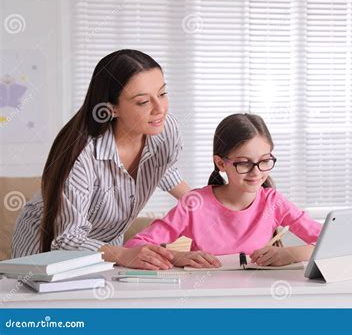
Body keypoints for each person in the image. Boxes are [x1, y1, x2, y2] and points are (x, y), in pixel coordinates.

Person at [12, 49, 190, 270]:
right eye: (143, 102)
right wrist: (124, 255)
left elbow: (164, 168)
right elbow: (67, 239)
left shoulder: (163, 128)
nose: (159, 108)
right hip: (49, 245)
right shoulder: (81, 156)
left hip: (107, 247)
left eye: (162, 94)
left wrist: (205, 208)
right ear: (111, 109)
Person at [125, 113, 322, 268]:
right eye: (244, 163)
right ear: (220, 163)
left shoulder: (274, 202)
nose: (256, 172)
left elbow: (331, 244)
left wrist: (291, 254)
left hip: (258, 297)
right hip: (206, 298)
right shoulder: (195, 203)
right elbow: (134, 245)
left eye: (264, 161)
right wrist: (177, 257)